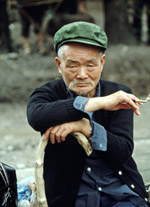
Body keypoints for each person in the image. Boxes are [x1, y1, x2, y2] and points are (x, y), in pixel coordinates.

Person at [27, 21, 148, 207]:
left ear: (102, 62)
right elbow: (37, 117)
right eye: (73, 66)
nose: (82, 74)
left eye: (90, 65)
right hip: (73, 199)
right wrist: (99, 103)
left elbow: (122, 150)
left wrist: (86, 127)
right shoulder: (47, 94)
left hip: (120, 194)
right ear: (59, 65)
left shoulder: (119, 92)